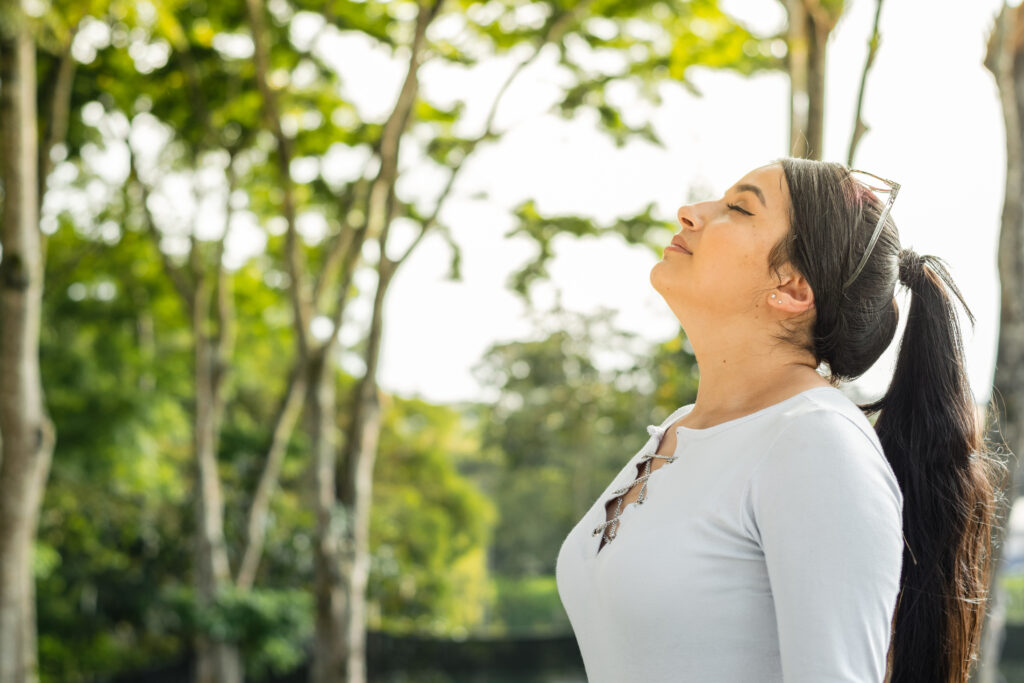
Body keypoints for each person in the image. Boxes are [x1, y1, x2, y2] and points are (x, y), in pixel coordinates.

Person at [554, 157, 1005, 683]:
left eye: (738, 208)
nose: (689, 213)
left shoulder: (814, 442)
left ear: (792, 290)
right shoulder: (683, 427)